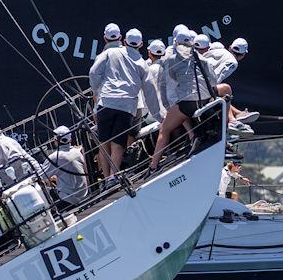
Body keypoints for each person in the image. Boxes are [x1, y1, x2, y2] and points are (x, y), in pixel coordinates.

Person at [148, 30, 218, 172]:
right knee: (225, 89)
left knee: (165, 129)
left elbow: (164, 84)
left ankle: (153, 166)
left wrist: (168, 107)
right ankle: (196, 137)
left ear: (176, 43)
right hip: (205, 100)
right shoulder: (201, 58)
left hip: (188, 103)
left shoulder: (170, 60)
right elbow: (213, 79)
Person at [89, 23, 148, 185]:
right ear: (141, 45)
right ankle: (114, 177)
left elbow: (94, 73)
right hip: (127, 106)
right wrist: (158, 115)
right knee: (118, 143)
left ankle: (107, 178)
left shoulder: (111, 53)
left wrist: (98, 91)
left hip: (105, 101)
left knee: (103, 142)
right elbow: (149, 91)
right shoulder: (142, 63)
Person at [204, 37, 258, 135]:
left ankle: (238, 113)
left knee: (222, 93)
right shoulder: (233, 62)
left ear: (230, 47)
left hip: (196, 85)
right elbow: (216, 78)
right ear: (244, 54)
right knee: (226, 89)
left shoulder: (221, 51)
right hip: (202, 88)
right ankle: (230, 122)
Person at [42, 125, 88, 210]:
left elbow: (41, 176)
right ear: (70, 139)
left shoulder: (55, 157)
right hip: (84, 194)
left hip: (69, 200)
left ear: (56, 140)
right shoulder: (77, 152)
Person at [143, 39, 167, 122]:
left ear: (149, 53)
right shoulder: (169, 66)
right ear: (164, 53)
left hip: (154, 114)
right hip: (170, 110)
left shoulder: (148, 70)